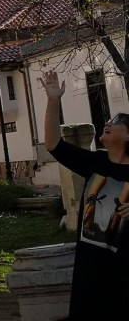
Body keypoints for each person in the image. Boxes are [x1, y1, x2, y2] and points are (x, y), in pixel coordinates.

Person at [40, 69, 129, 319]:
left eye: (117, 122)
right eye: (109, 120)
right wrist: (53, 100)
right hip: (89, 271)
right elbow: (53, 144)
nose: (108, 123)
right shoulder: (95, 163)